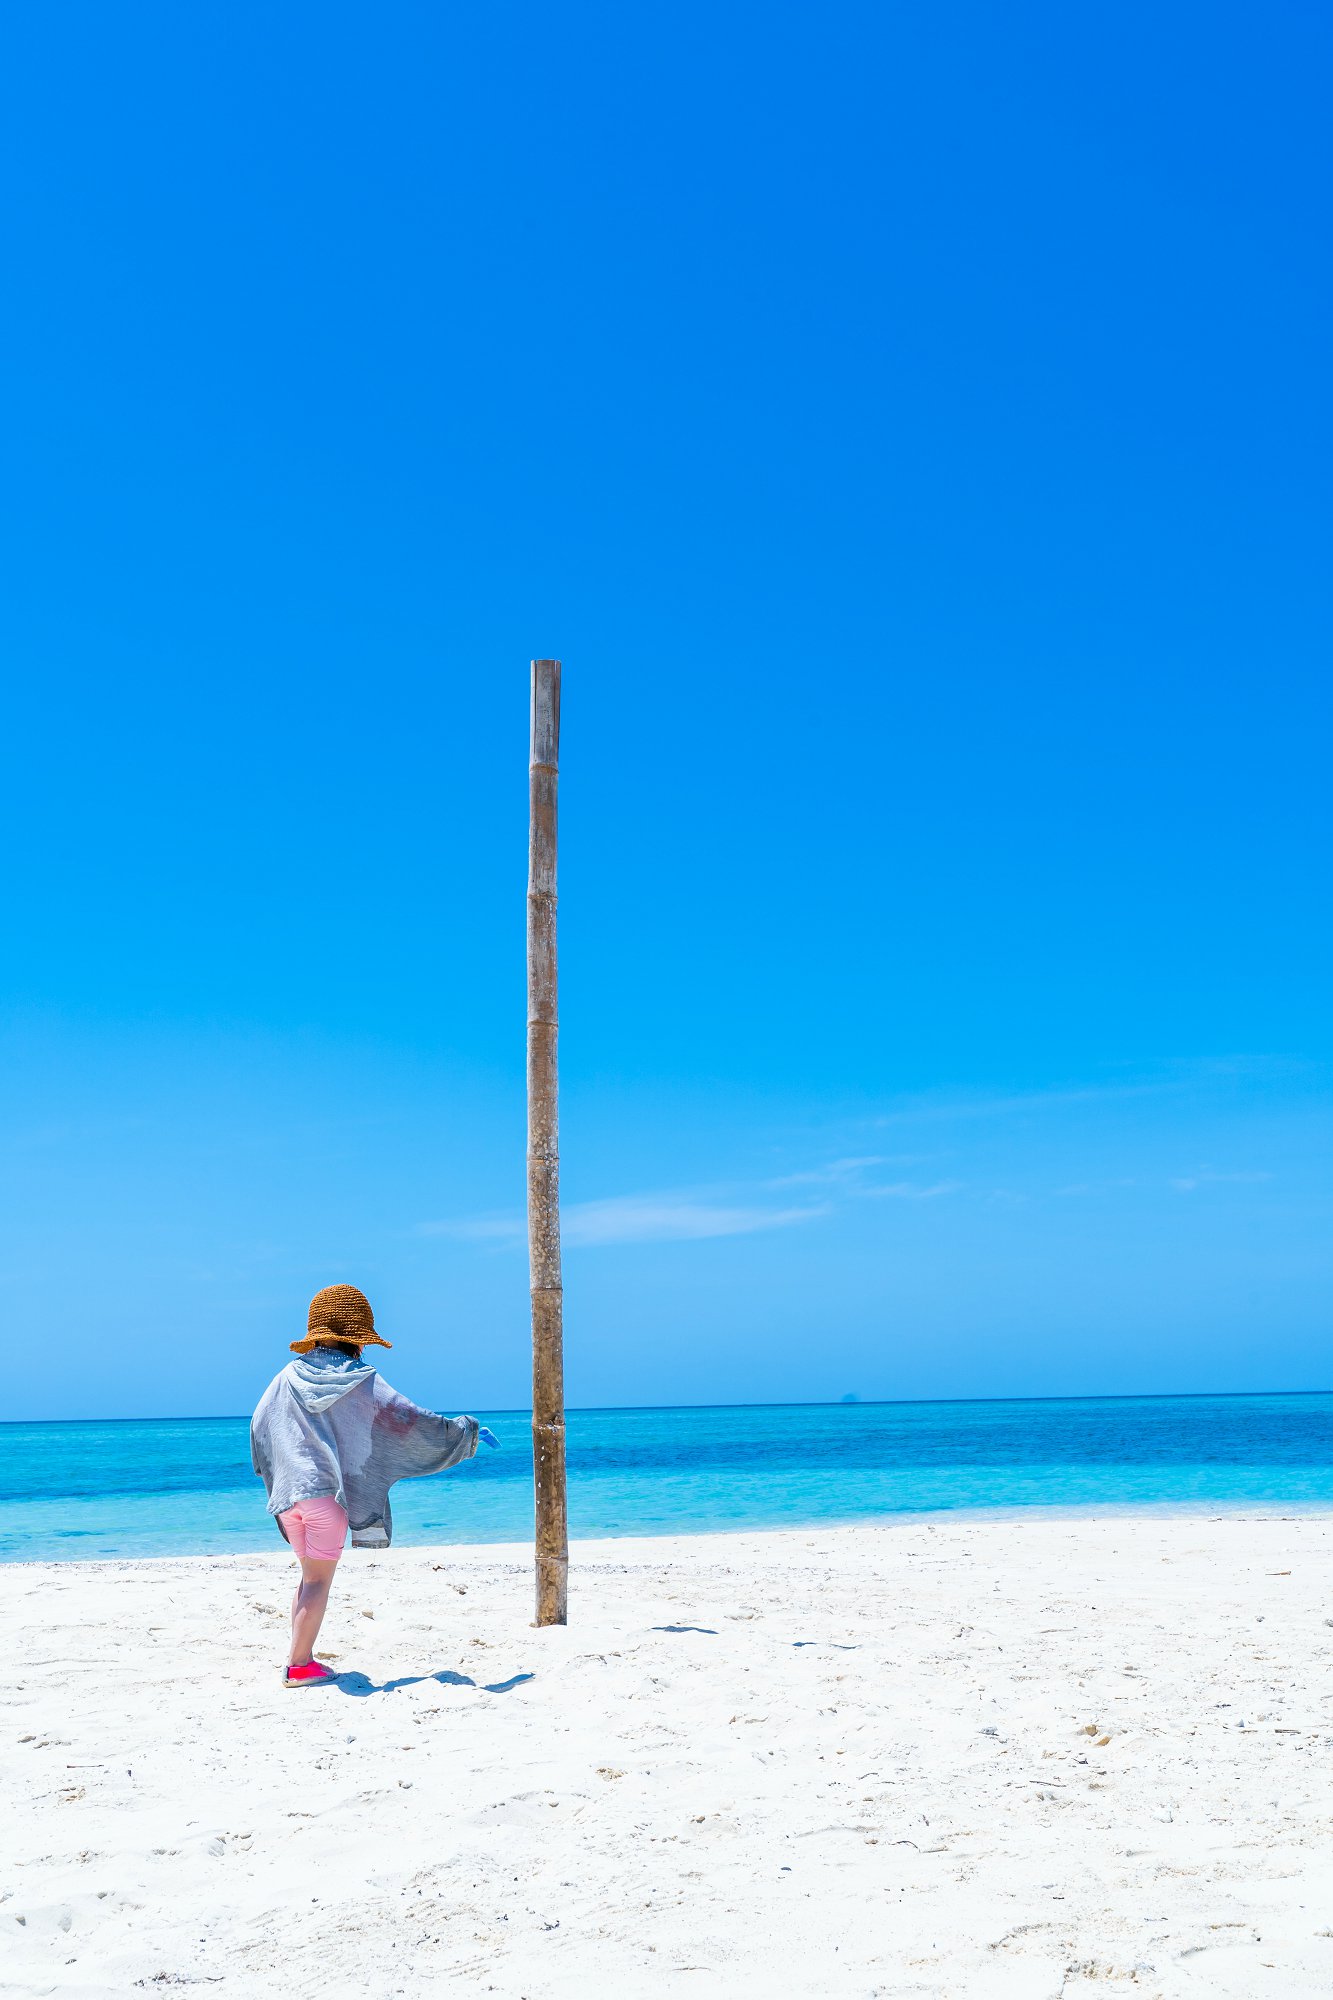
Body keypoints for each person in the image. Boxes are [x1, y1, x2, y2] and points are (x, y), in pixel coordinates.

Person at [251, 1283, 498, 1688]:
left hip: (288, 1498)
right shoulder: (357, 1379)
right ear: (357, 1339)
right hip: (324, 1498)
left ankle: (301, 1658)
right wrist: (462, 1434)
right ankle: (298, 1667)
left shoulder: (284, 1378)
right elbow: (406, 1419)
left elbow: (260, 1425)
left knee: (307, 1577)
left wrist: (278, 1473)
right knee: (317, 1581)